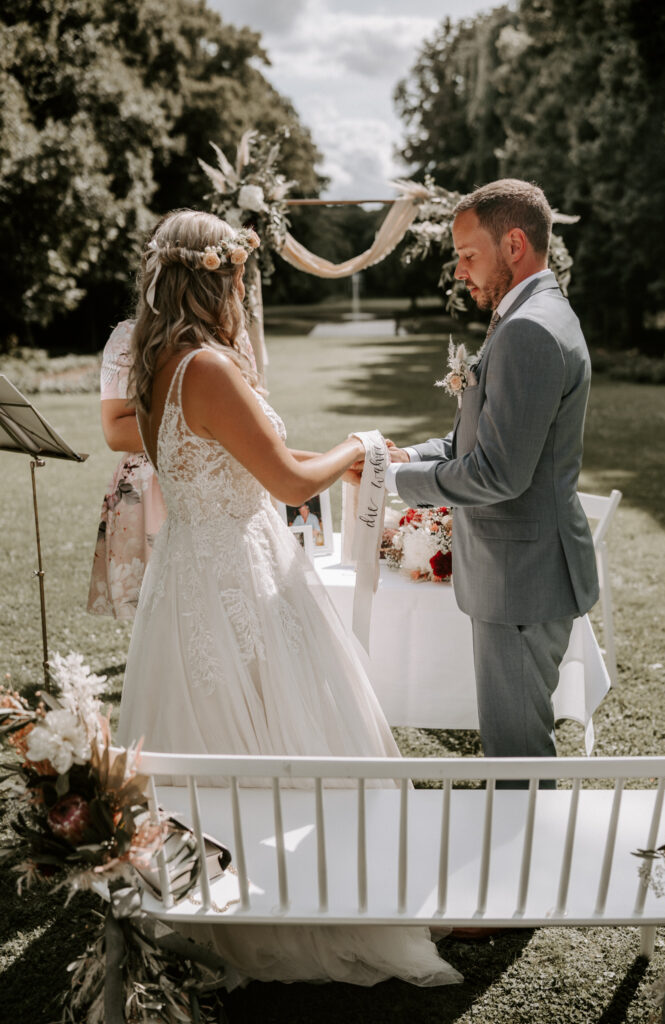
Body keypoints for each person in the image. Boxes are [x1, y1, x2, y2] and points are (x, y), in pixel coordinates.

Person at [116, 208, 461, 988]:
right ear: (218, 279)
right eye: (240, 277)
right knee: (285, 735)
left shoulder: (161, 362)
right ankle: (303, 905)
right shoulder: (205, 366)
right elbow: (281, 482)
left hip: (192, 572)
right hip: (239, 571)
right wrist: (360, 445)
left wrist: (328, 463)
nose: (244, 291)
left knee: (215, 738)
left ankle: (230, 895)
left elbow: (246, 456)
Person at [382, 179, 599, 780]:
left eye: (469, 254)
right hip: (519, 574)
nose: (459, 271)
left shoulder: (530, 329)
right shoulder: (527, 315)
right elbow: (468, 443)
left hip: (523, 582)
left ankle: (530, 867)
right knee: (513, 750)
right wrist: (401, 458)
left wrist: (397, 488)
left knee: (517, 761)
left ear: (515, 244)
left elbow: (498, 474)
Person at [86, 319, 166, 619]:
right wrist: (207, 427)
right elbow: (117, 431)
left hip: (226, 487)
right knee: (159, 622)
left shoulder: (231, 331)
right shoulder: (131, 337)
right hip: (154, 493)